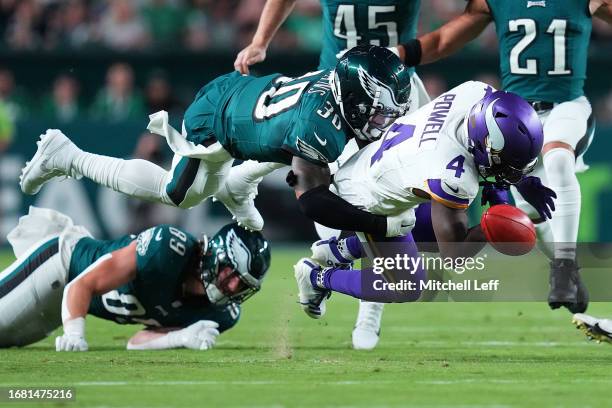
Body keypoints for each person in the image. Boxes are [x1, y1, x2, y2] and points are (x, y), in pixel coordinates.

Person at [20, 45, 414, 241]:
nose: (383, 119)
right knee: (178, 193)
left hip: (248, 98)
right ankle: (68, 156)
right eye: (379, 110)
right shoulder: (318, 125)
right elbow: (312, 201)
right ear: (354, 97)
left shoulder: (335, 85)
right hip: (218, 121)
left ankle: (238, 187)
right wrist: (379, 224)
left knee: (294, 151)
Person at [390, 0, 612, 314]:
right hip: (514, 116)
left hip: (567, 106)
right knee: (527, 209)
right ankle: (569, 270)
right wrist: (395, 55)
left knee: (559, 159)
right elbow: (442, 41)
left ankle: (563, 268)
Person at [233, 0, 428, 350]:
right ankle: (354, 292)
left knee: (414, 213)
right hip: (341, 98)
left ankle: (337, 265)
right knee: (364, 205)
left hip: (398, 95)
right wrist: (261, 39)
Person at [293, 81, 556, 318]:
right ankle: (316, 277)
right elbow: (453, 254)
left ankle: (340, 250)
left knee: (424, 229)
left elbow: (488, 152)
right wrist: (493, 228)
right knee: (407, 285)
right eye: (510, 163)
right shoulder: (451, 172)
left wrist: (513, 180)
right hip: (367, 198)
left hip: (378, 166)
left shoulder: (476, 93)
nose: (515, 171)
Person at [0, 207, 270, 351]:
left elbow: (136, 342)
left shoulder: (224, 314)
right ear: (216, 255)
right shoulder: (168, 249)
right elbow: (81, 284)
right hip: (61, 267)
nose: (234, 287)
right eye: (232, 274)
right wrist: (74, 334)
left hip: (68, 309)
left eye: (244, 285)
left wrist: (180, 337)